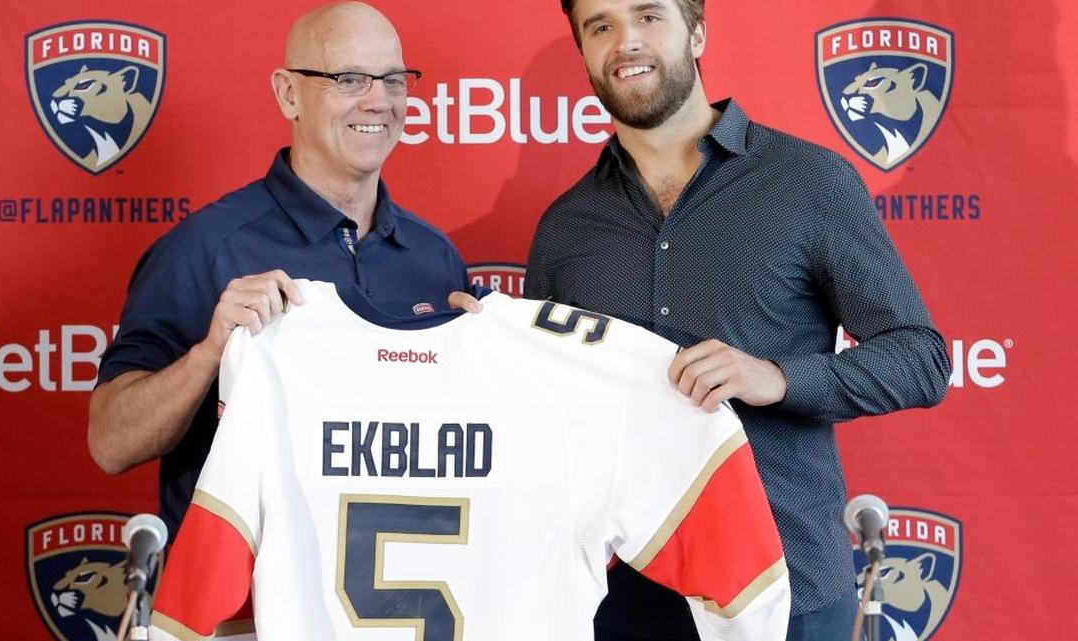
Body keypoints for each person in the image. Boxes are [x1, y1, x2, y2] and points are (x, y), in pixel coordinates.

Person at [525, 1, 951, 640]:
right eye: (601, 25)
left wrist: (777, 377)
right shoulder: (565, 227)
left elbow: (921, 360)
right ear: (583, 52)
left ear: (696, 31)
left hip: (791, 586)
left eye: (649, 17)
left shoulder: (809, 182)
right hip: (624, 594)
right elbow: (542, 412)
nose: (626, 42)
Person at [88, 1, 477, 537]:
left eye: (393, 80)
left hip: (392, 607)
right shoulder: (206, 248)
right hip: (245, 612)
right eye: (349, 79)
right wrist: (209, 355)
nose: (378, 100)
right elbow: (110, 443)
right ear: (288, 94)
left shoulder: (434, 258)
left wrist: (478, 365)